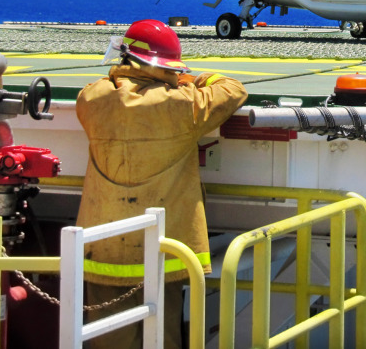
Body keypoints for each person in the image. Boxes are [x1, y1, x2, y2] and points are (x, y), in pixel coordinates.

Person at [75, 19, 248, 348]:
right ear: (167, 66)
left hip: (104, 250)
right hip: (163, 251)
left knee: (107, 339)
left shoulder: (93, 99)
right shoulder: (184, 105)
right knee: (161, 336)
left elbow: (108, 81)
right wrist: (189, 78)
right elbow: (233, 89)